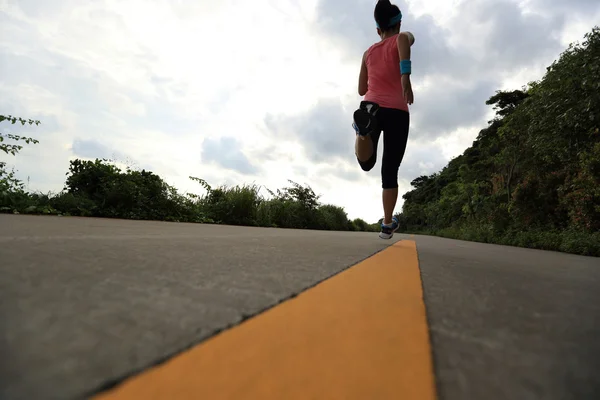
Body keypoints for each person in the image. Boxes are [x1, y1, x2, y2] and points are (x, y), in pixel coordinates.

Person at [352, 0, 414, 240]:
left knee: (366, 163)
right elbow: (405, 58)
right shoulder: (401, 38)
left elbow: (360, 89)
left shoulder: (367, 53)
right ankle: (388, 224)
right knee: (390, 170)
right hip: (398, 110)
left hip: (371, 106)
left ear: (378, 30)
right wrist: (405, 82)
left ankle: (363, 132)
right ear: (398, 24)